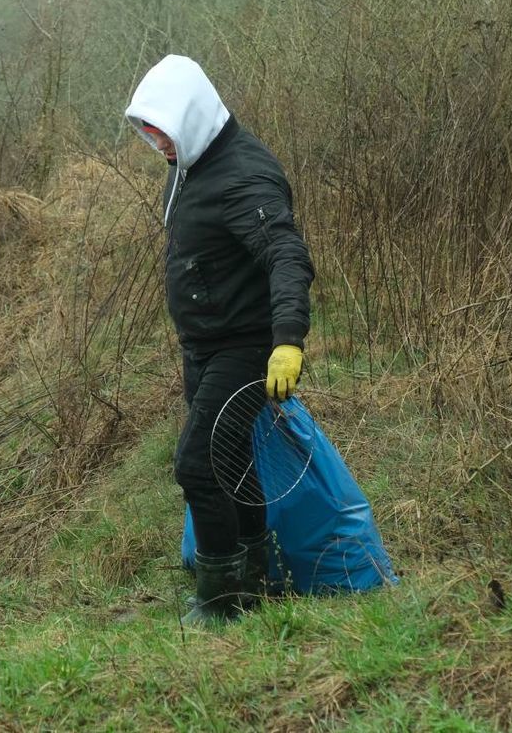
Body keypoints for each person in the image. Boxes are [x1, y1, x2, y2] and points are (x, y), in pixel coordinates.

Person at [125, 54, 315, 624]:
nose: (158, 144)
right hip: (204, 345)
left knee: (197, 464)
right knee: (229, 458)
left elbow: (287, 254)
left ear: (190, 116)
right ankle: (252, 576)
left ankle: (221, 601)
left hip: (247, 345)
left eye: (164, 132)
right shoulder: (193, 161)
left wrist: (288, 339)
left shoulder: (243, 176)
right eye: (150, 133)